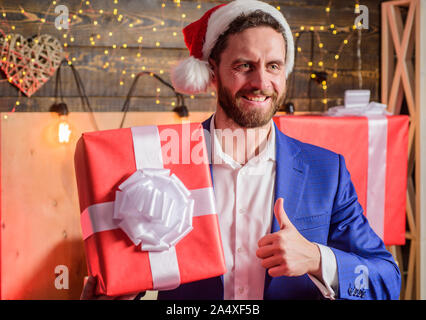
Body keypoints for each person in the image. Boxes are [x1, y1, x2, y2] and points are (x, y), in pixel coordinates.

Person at [81, 0, 400, 300]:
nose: (261, 81)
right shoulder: (162, 161)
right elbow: (127, 266)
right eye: (244, 65)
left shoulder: (326, 170)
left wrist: (317, 258)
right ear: (212, 72)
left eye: (274, 66)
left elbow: (387, 280)